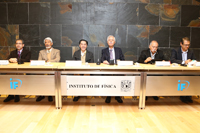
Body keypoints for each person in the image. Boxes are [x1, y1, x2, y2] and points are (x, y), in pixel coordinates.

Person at [171, 37, 196, 103]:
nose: (187, 46)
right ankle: (182, 96)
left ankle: (188, 96)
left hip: (189, 71)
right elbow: (172, 60)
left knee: (192, 78)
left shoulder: (191, 51)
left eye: (188, 45)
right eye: (185, 45)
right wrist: (184, 62)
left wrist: (192, 61)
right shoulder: (175, 50)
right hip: (178, 71)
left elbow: (194, 59)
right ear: (181, 44)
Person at [101, 35, 125, 103]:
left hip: (117, 69)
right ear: (107, 42)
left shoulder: (118, 50)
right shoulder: (104, 50)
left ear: (114, 42)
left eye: (112, 40)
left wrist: (120, 61)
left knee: (118, 80)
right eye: (109, 40)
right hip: (108, 69)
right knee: (108, 80)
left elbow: (123, 59)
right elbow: (102, 59)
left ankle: (117, 96)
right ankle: (108, 96)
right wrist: (104, 61)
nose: (111, 41)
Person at [36, 37, 60, 102]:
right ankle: (42, 94)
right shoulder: (41, 52)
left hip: (53, 70)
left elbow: (57, 60)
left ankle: (50, 95)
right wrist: (53, 60)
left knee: (52, 81)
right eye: (45, 42)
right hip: (44, 70)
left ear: (51, 43)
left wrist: (47, 61)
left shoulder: (57, 51)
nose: (47, 44)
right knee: (42, 80)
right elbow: (39, 61)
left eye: (48, 42)